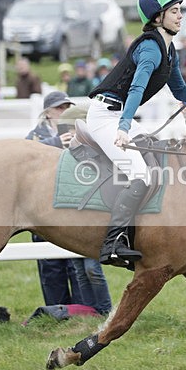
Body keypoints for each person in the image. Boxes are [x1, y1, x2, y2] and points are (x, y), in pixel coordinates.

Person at [86, 0, 186, 268]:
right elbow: (135, 89)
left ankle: (139, 234)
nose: (181, 16)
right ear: (158, 17)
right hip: (106, 116)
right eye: (175, 11)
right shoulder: (151, 49)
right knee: (140, 175)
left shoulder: (169, 51)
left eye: (181, 10)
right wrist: (123, 128)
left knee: (155, 160)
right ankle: (113, 243)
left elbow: (180, 91)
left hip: (118, 115)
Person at [25, 90, 85, 306]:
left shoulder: (78, 131)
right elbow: (27, 155)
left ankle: (80, 308)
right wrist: (56, 142)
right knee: (50, 265)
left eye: (68, 108)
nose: (65, 112)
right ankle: (55, 308)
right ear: (47, 112)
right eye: (60, 108)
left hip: (69, 203)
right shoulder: (36, 135)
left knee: (75, 261)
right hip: (42, 205)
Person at [56, 104, 113, 315]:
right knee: (80, 269)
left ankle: (106, 310)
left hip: (93, 215)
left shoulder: (97, 151)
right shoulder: (70, 154)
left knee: (91, 269)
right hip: (75, 214)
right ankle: (92, 311)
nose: (67, 134)